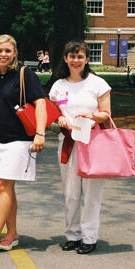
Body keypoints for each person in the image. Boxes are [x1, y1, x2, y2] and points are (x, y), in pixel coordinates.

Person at [0, 35, 47, 255]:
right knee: (7, 188)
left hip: (18, 140)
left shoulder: (25, 74)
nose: (3, 54)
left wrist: (40, 134)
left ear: (14, 53)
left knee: (4, 185)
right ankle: (11, 234)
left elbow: (40, 103)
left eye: (8, 51)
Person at [49, 41, 111, 255]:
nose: (76, 61)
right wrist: (59, 119)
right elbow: (53, 112)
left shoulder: (98, 84)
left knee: (92, 193)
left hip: (93, 142)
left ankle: (89, 237)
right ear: (65, 59)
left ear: (86, 59)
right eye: (72, 56)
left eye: (80, 56)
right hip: (68, 142)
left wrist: (92, 115)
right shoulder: (58, 86)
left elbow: (106, 113)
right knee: (71, 192)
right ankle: (72, 235)